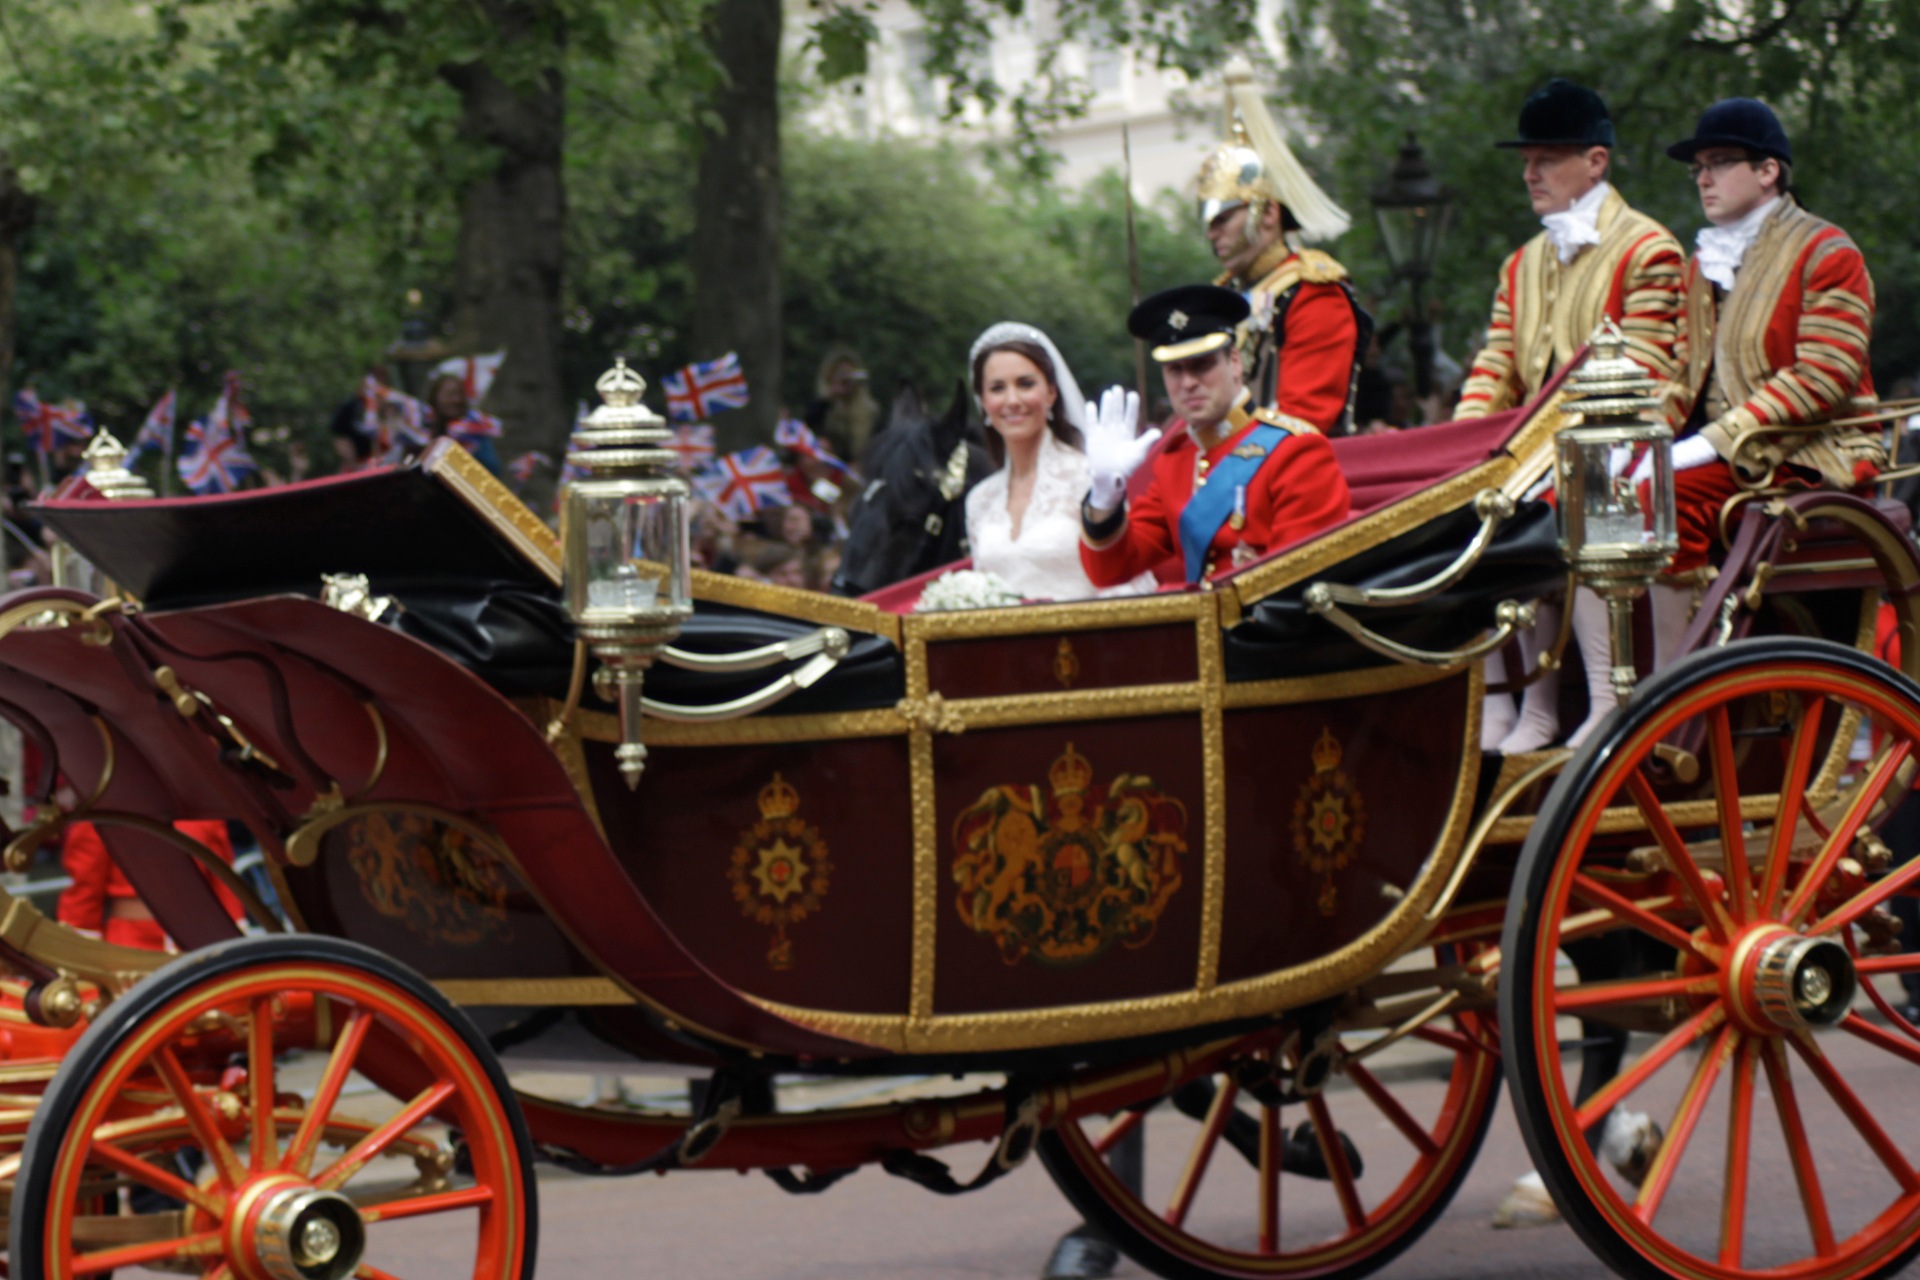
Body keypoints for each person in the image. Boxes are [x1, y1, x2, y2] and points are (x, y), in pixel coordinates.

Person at [1456, 78, 1686, 753]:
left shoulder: (1648, 249)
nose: (1531, 174)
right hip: (1533, 449)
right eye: (1527, 161)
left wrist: (1529, 449)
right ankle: (1518, 702)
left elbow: (1644, 374)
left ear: (1596, 162)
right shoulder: (1519, 264)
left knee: (1567, 491)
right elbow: (1496, 366)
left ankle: (1603, 696)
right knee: (1464, 502)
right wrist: (1469, 447)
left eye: (1547, 159)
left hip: (1621, 446)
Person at [1657, 97, 1883, 668]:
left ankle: (1668, 679)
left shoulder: (1827, 250)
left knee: (1660, 497)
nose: (1703, 178)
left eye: (1719, 162)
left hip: (1811, 452)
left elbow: (1824, 375)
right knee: (1606, 495)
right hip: (1732, 457)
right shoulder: (1701, 264)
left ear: (1767, 171)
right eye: (1697, 167)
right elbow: (1679, 375)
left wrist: (1711, 441)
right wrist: (1642, 443)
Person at [1079, 286, 1351, 589]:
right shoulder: (1176, 460)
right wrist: (1105, 497)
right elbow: (1109, 570)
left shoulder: (1297, 451)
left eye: (1202, 365)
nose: (1189, 383)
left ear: (1235, 362)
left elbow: (1296, 587)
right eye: (1174, 370)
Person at [1196, 57, 1369, 434]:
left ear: (1269, 214)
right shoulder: (1219, 295)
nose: (1212, 233)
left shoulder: (1312, 292)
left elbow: (1304, 419)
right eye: (1208, 222)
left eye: (1224, 219)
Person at [963, 323, 1154, 602]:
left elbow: (1126, 583)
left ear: (1051, 392)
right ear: (983, 401)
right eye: (997, 388)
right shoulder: (979, 499)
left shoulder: (1090, 480)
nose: (1012, 400)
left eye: (1025, 384)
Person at [804, 350, 880, 468]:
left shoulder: (870, 412)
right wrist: (830, 397)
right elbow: (809, 432)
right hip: (826, 468)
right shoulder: (821, 407)